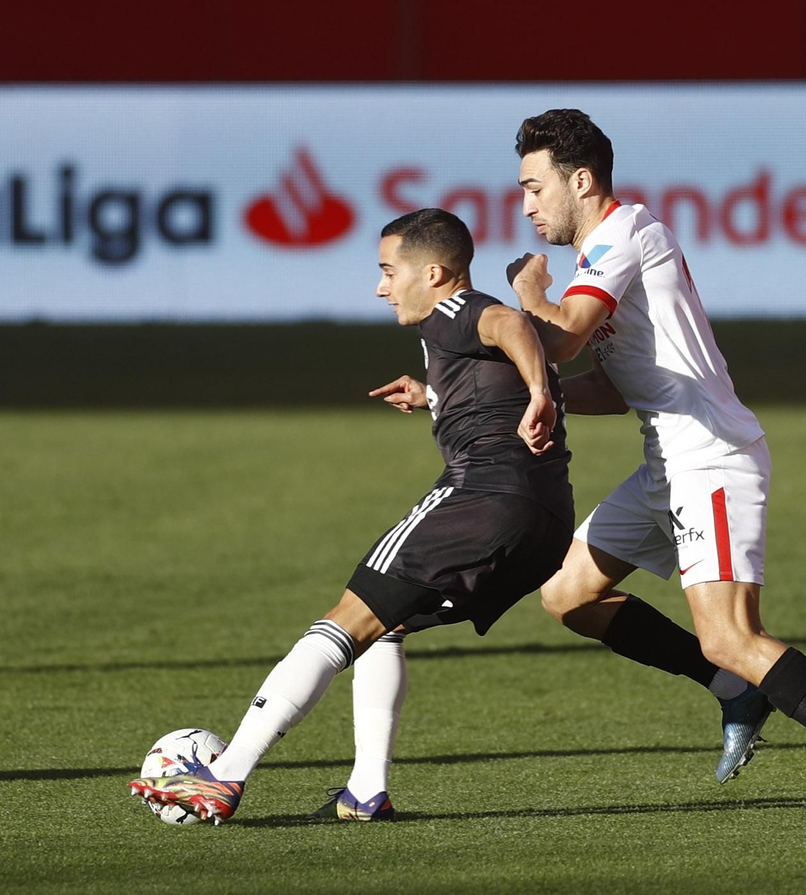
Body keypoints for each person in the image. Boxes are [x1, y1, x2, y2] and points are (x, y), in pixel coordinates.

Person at [505, 108, 806, 821]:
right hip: (667, 462)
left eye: (533, 186)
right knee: (567, 595)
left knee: (732, 633)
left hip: (711, 457)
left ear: (580, 180)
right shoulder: (599, 257)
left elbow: (569, 336)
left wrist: (528, 297)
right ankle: (734, 689)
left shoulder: (624, 233)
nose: (525, 205)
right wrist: (547, 397)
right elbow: (615, 382)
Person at [129, 208, 573, 823]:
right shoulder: (449, 331)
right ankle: (366, 792)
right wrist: (435, 395)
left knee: (343, 620)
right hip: (546, 521)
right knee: (385, 627)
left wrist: (542, 394)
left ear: (436, 273)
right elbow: (498, 359)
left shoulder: (461, 309)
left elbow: (505, 324)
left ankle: (224, 775)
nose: (381, 287)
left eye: (390, 271)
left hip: (483, 496)